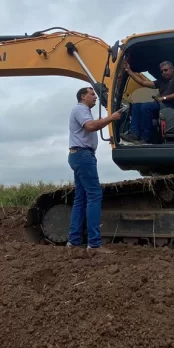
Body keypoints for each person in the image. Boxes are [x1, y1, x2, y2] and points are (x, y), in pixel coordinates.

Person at [67, 86, 122, 253]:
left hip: (79, 156)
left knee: (81, 198)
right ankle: (94, 244)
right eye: (92, 94)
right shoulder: (80, 109)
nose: (95, 98)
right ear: (83, 96)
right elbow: (90, 126)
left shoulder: (82, 110)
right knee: (94, 195)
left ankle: (74, 241)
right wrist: (111, 118)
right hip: (84, 156)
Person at [121, 60, 174, 144]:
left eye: (165, 70)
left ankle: (145, 138)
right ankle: (134, 134)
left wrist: (164, 97)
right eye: (162, 71)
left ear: (172, 69)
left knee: (146, 107)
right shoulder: (161, 81)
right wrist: (129, 71)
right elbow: (143, 82)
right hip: (162, 105)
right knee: (136, 106)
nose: (163, 72)